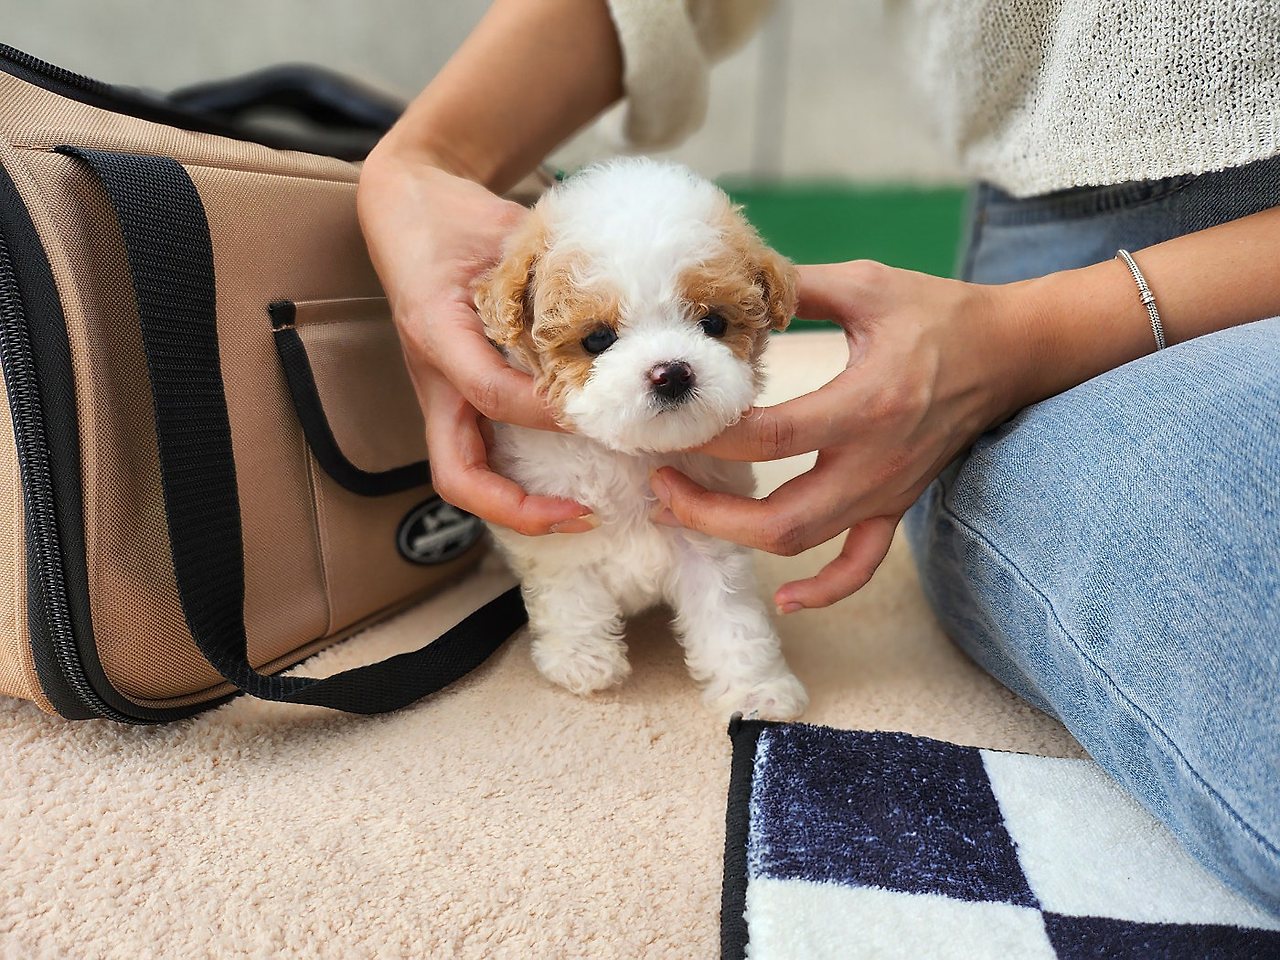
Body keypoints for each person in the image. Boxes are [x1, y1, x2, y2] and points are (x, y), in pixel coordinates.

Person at [357, 0, 1280, 914]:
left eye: (711, 324)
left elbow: (713, 557)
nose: (667, 367)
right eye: (600, 340)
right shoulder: (531, 358)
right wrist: (418, 160)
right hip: (1072, 216)